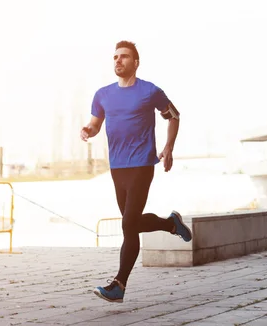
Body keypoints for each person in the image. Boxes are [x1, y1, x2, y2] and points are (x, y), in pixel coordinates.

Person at [80, 40, 192, 303]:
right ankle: (170, 223)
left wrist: (168, 147)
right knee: (133, 223)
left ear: (136, 62)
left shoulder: (150, 91)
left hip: (142, 164)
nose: (118, 60)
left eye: (125, 57)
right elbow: (96, 124)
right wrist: (88, 130)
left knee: (128, 224)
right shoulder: (103, 94)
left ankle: (119, 284)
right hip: (117, 168)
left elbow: (174, 115)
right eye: (115, 57)